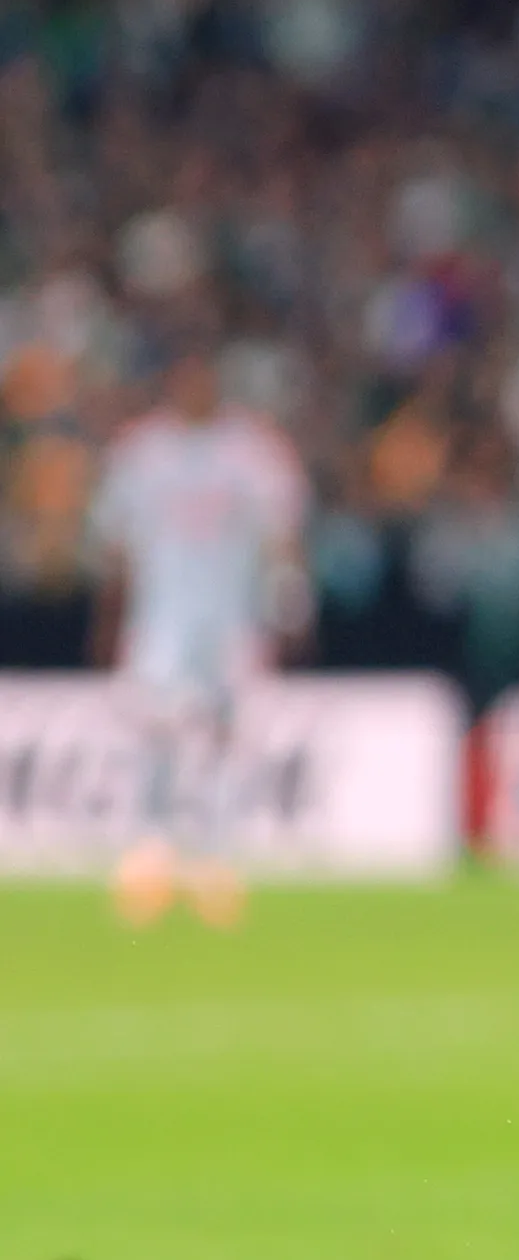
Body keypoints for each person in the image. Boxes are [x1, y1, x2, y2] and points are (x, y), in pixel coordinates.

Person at [86, 343, 308, 929]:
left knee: (227, 736)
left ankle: (213, 857)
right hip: (160, 618)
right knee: (154, 731)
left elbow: (280, 536)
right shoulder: (142, 454)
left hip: (232, 620)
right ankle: (150, 854)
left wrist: (288, 603)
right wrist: (110, 619)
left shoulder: (252, 454)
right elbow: (116, 544)